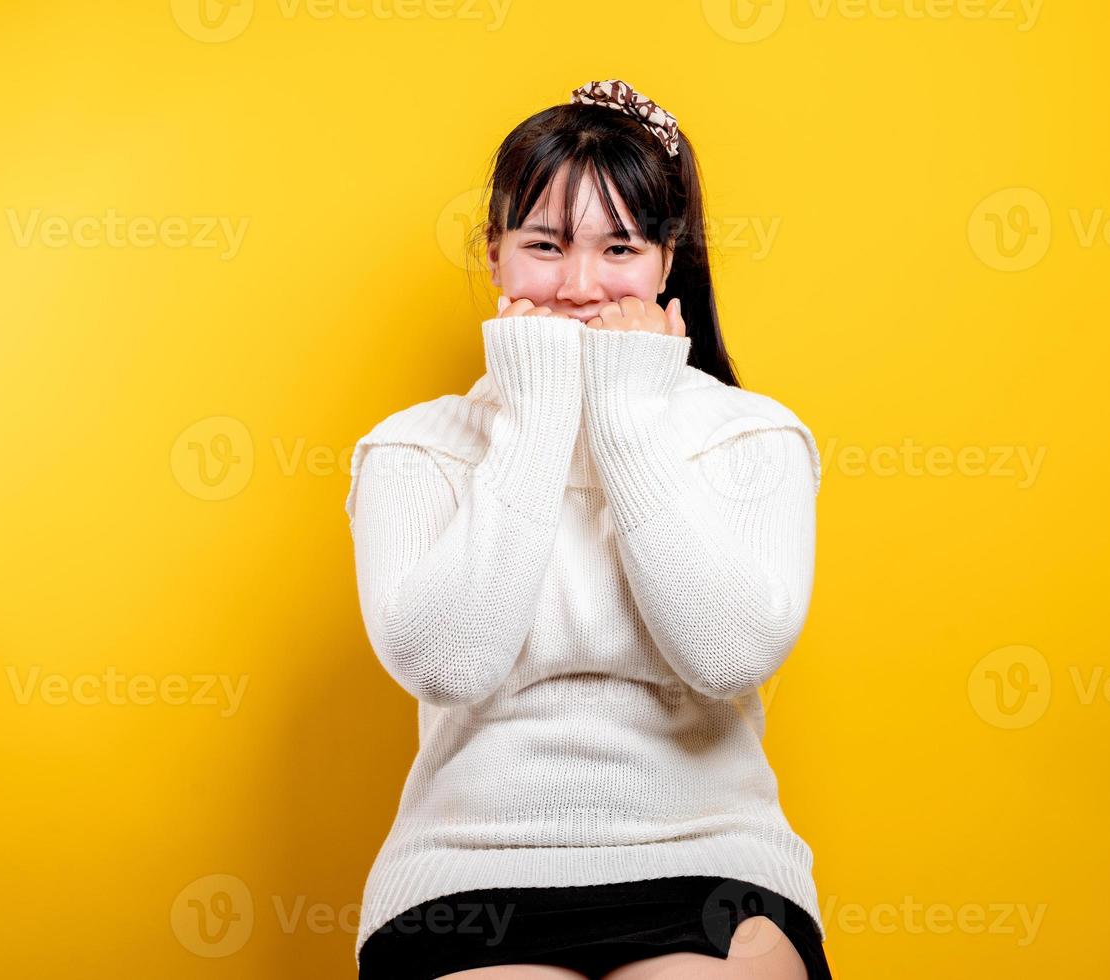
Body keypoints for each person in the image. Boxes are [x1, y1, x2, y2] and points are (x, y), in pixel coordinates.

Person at [344, 79, 830, 979]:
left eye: (619, 248)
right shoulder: (411, 451)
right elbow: (449, 665)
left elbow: (726, 655)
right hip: (467, 875)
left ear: (666, 262)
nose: (577, 286)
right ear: (494, 257)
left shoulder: (747, 435)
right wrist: (534, 419)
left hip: (706, 858)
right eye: (543, 245)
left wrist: (625, 422)